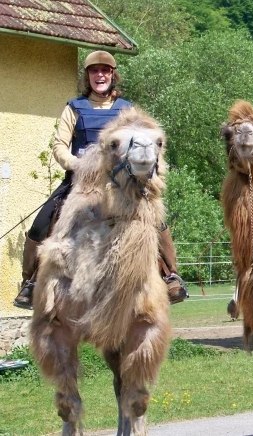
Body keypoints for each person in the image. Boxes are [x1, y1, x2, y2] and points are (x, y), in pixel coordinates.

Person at [12, 50, 188, 310]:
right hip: (80, 181)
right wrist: (76, 164)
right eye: (94, 71)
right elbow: (59, 145)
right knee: (41, 223)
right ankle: (32, 281)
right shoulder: (74, 108)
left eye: (105, 70)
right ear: (88, 76)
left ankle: (170, 274)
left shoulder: (126, 109)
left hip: (120, 183)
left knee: (157, 220)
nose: (100, 75)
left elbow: (141, 142)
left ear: (112, 75)